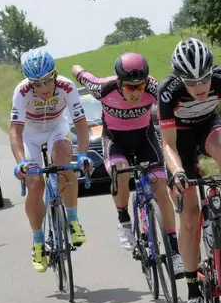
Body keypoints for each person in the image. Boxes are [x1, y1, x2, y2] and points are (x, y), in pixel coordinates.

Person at [159, 38, 221, 303]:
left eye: (204, 80)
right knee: (189, 217)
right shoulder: (168, 91)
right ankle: (193, 292)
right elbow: (168, 145)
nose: (199, 88)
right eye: (191, 82)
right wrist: (177, 172)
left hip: (209, 125)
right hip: (179, 141)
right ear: (178, 77)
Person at [71, 53, 184, 276]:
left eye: (139, 87)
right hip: (115, 139)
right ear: (119, 83)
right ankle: (124, 220)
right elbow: (80, 73)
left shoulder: (153, 88)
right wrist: (75, 69)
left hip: (145, 137)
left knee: (160, 186)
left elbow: (173, 106)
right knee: (120, 172)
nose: (136, 92)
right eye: (130, 88)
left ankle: (174, 251)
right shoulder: (103, 89)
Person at [11, 49, 93, 273]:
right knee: (35, 183)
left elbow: (81, 123)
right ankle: (38, 242)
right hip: (30, 135)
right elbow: (15, 132)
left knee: (62, 158)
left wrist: (83, 154)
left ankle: (73, 220)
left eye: (47, 81)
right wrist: (20, 162)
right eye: (36, 84)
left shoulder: (66, 87)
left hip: (56, 128)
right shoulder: (22, 91)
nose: (43, 88)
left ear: (55, 75)